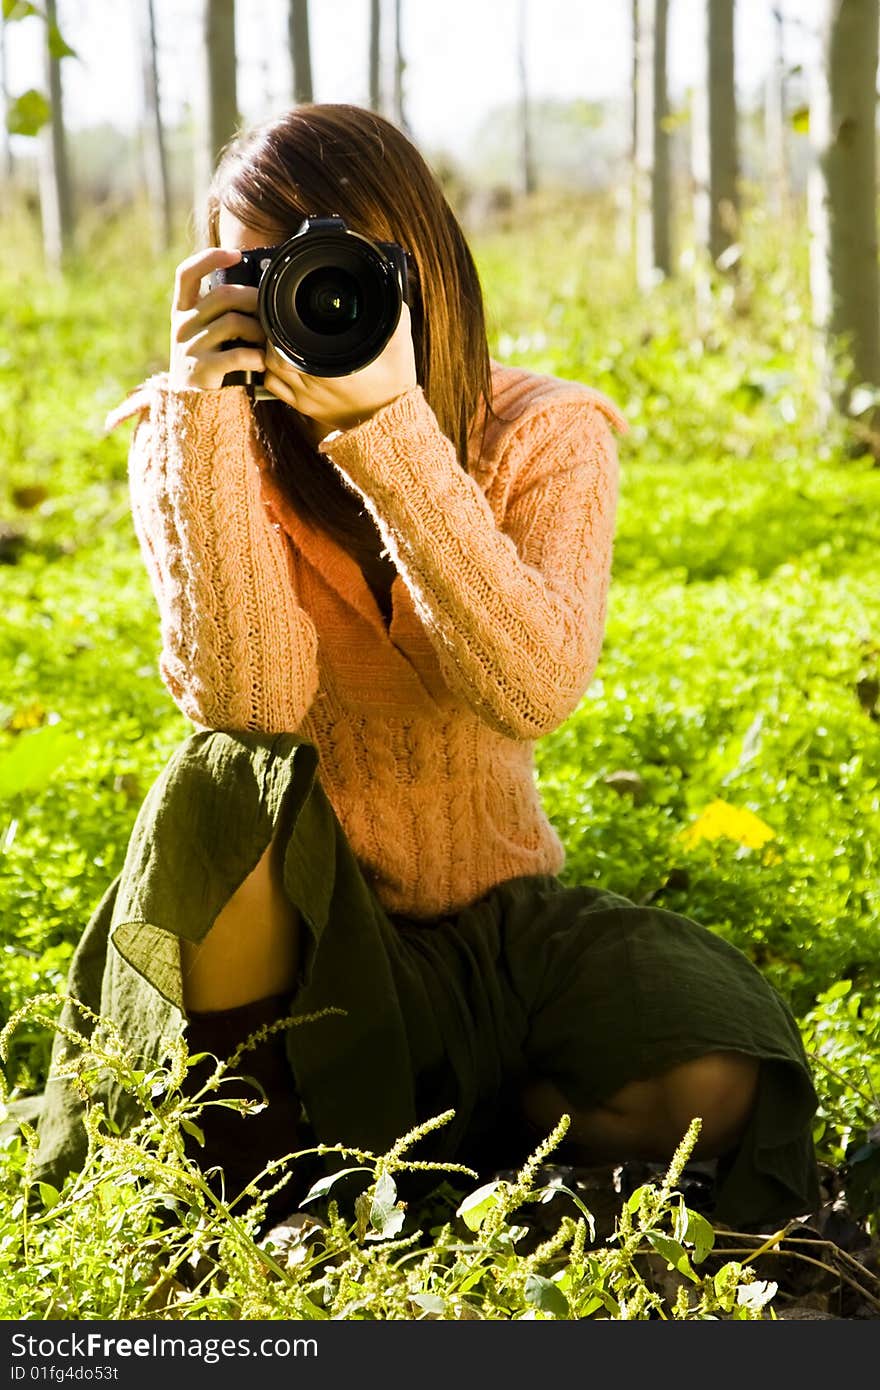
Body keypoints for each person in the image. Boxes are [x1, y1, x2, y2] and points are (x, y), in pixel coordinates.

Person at [31, 104, 820, 1233]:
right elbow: (247, 708)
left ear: (417, 265)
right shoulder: (193, 436)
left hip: (503, 920)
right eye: (252, 267)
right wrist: (205, 429)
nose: (301, 295)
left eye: (330, 262)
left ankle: (439, 1129)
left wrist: (390, 430)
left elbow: (534, 688)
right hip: (310, 943)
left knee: (717, 1071)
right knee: (222, 781)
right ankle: (285, 1193)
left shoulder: (542, 432)